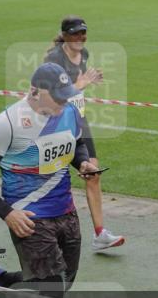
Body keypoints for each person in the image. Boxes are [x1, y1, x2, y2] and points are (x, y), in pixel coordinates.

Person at [0, 63, 99, 298]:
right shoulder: (7, 124)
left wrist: (83, 163)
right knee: (52, 290)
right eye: (57, 96)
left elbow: (78, 145)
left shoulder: (70, 111)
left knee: (63, 281)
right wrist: (7, 213)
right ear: (34, 91)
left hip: (65, 211)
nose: (63, 102)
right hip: (29, 217)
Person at [44, 15, 125, 252]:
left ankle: (100, 233)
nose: (81, 37)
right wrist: (81, 82)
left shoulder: (84, 54)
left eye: (83, 32)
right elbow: (57, 95)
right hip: (59, 124)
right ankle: (47, 231)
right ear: (66, 35)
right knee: (54, 178)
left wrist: (89, 81)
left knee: (94, 173)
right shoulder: (54, 60)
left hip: (79, 121)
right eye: (76, 33)